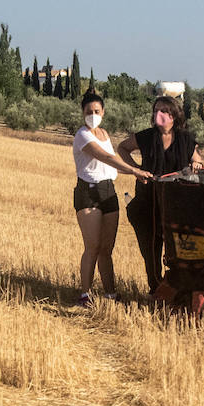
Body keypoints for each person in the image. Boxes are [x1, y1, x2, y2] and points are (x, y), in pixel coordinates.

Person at [72, 92, 152, 307]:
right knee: (93, 246)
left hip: (108, 191)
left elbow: (112, 164)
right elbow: (105, 157)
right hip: (88, 192)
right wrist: (135, 170)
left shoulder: (105, 134)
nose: (93, 115)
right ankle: (85, 295)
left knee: (107, 248)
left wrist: (140, 172)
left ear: (103, 112)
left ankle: (110, 294)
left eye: (97, 111)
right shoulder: (82, 135)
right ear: (82, 113)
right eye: (89, 112)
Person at [118, 95, 203, 292]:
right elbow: (122, 148)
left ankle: (178, 290)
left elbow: (197, 160)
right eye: (157, 110)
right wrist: (135, 169)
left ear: (175, 114)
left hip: (177, 203)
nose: (160, 114)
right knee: (151, 249)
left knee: (179, 249)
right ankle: (156, 289)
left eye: (164, 110)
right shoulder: (146, 136)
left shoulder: (186, 139)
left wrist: (196, 164)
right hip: (148, 200)